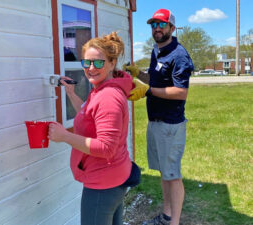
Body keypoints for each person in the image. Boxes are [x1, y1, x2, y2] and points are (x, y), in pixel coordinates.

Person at [48, 32, 135, 225]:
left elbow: (106, 147)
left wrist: (64, 136)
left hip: (103, 184)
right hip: (113, 178)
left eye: (98, 63)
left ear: (112, 63)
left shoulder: (108, 96)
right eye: (86, 63)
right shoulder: (102, 90)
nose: (91, 69)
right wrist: (71, 93)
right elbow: (89, 115)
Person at [124, 8, 194, 225]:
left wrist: (147, 91)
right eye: (153, 25)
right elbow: (155, 81)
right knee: (164, 172)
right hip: (155, 121)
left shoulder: (179, 55)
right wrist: (139, 75)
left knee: (172, 174)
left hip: (170, 125)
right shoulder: (156, 51)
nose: (157, 29)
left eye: (162, 24)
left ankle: (174, 222)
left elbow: (180, 92)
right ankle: (166, 215)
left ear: (172, 28)